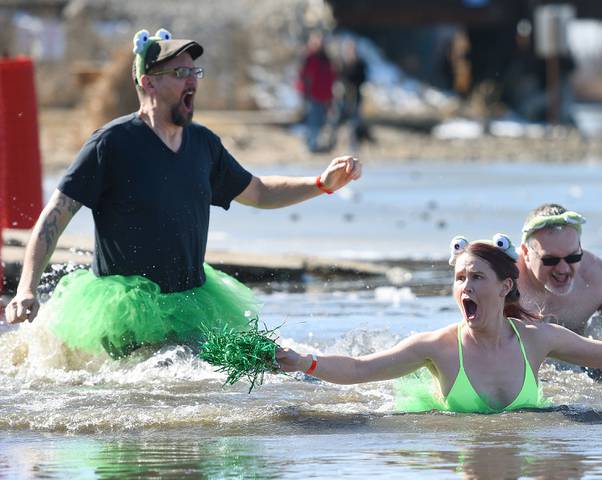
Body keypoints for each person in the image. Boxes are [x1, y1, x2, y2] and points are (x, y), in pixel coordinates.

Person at [3, 28, 362, 358]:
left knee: (253, 366)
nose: (192, 79)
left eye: (195, 72)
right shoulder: (111, 144)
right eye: (180, 73)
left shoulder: (203, 145)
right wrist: (27, 290)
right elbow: (55, 214)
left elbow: (259, 191)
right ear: (149, 83)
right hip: (126, 310)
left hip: (191, 300)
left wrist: (320, 184)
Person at [277, 234, 602, 414]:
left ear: (505, 287)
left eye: (477, 277)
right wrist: (303, 363)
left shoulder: (536, 339)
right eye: (459, 277)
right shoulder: (438, 347)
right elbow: (360, 369)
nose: (465, 285)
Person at [516, 203, 602, 339]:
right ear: (526, 253)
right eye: (550, 260)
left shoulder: (600, 279)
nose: (563, 269)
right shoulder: (502, 281)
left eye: (573, 257)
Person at [297, 31, 336, 153]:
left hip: (324, 96)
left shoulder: (326, 58)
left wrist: (330, 97)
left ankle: (317, 144)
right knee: (312, 121)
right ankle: (311, 145)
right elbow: (302, 77)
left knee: (321, 121)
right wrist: (304, 94)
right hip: (312, 96)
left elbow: (331, 77)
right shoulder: (308, 58)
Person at [330, 38, 370, 153]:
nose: (350, 51)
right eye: (348, 49)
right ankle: (332, 145)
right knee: (335, 122)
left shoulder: (360, 64)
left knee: (353, 124)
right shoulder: (340, 63)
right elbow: (336, 78)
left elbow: (363, 79)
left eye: (352, 49)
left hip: (355, 98)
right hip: (341, 98)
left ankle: (353, 147)